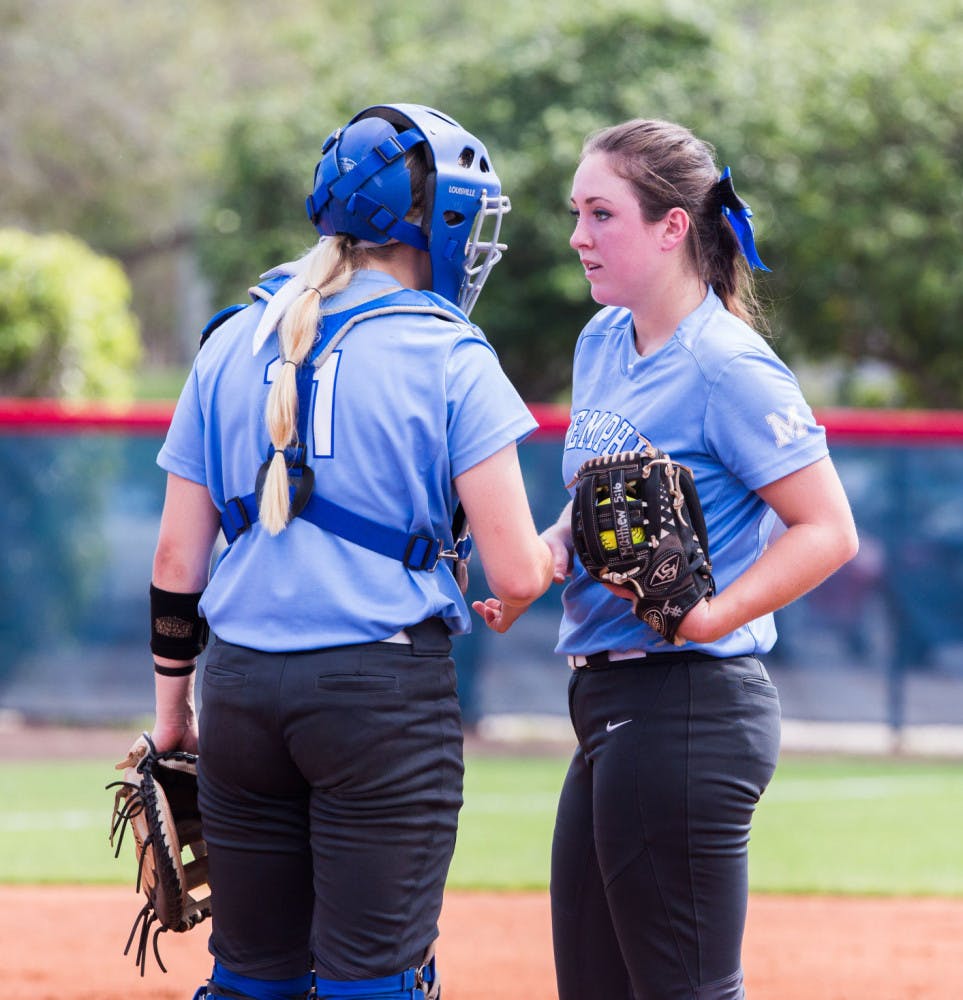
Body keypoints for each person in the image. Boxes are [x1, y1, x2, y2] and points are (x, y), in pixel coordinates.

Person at [142, 102, 554, 1000]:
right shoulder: (449, 350)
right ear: (433, 218)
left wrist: (174, 717)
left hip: (241, 693)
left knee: (253, 977)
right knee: (373, 980)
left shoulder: (228, 340)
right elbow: (517, 570)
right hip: (377, 697)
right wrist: (553, 559)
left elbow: (178, 563)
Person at [474, 118, 859, 999]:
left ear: (672, 226)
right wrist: (542, 559)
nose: (577, 235)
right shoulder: (603, 342)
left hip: (689, 702)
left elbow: (827, 528)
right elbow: (599, 507)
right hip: (609, 702)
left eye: (600, 213)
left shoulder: (728, 365)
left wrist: (712, 614)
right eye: (577, 211)